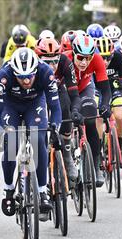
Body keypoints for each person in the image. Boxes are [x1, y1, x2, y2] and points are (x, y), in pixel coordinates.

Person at [0, 48, 62, 222]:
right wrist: (0, 134)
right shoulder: (4, 76)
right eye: (21, 77)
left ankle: (43, 191)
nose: (27, 80)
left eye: (30, 75)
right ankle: (8, 189)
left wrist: (55, 128)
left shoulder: (45, 72)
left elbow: (55, 107)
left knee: (38, 139)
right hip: (10, 106)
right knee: (11, 143)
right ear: (14, 73)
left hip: (35, 104)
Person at [63, 34, 113, 187]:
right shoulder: (64, 59)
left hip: (85, 89)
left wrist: (105, 105)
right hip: (66, 90)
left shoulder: (97, 60)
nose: (84, 62)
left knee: (91, 118)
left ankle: (96, 165)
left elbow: (105, 89)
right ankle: (66, 160)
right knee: (65, 118)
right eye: (80, 57)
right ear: (73, 53)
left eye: (88, 57)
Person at [35, 37, 80, 181]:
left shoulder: (66, 62)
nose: (53, 66)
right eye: (48, 62)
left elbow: (74, 93)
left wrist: (76, 111)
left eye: (55, 60)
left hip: (57, 89)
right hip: (39, 91)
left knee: (65, 104)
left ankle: (67, 158)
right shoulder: (33, 65)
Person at [96, 37, 122, 169]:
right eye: (102, 58)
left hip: (115, 89)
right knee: (97, 117)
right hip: (98, 90)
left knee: (121, 115)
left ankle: (121, 145)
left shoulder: (118, 58)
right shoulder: (92, 60)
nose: (105, 62)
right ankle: (98, 150)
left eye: (108, 58)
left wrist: (121, 84)